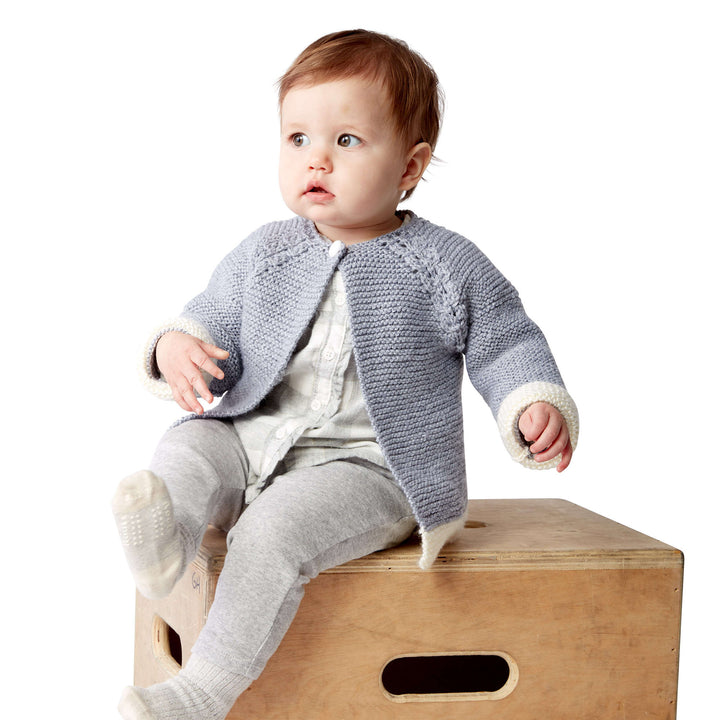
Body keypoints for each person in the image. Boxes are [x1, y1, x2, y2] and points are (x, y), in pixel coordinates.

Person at [113, 29, 579, 720]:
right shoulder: (264, 252)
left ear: (410, 166)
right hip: (251, 440)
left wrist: (530, 403)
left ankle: (201, 694)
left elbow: (507, 343)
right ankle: (165, 546)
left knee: (271, 534)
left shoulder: (446, 265)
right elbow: (210, 319)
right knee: (188, 444)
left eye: (347, 141)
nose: (317, 160)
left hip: (369, 470)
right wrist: (176, 347)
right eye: (297, 138)